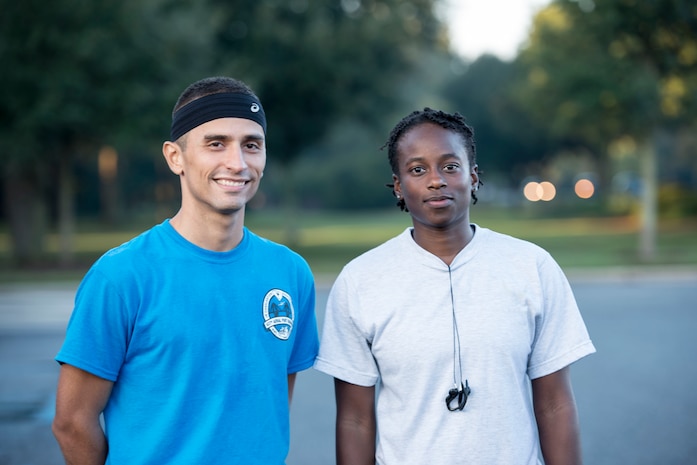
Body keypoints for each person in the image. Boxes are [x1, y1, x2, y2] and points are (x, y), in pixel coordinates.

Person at [52, 76, 319, 464]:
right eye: (216, 144)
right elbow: (72, 422)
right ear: (175, 157)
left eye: (251, 145)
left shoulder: (290, 273)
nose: (237, 162)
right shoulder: (122, 276)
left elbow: (271, 405)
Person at [314, 107, 596, 465]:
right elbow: (355, 419)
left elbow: (555, 403)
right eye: (418, 170)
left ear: (473, 177)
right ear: (399, 186)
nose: (436, 180)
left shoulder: (532, 267)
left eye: (450, 166)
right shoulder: (360, 281)